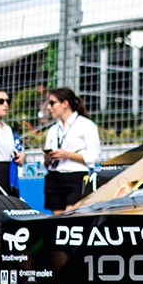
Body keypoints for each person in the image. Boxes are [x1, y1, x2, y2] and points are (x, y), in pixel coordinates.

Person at [43, 87, 102, 215]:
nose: (49, 107)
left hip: (76, 177)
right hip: (54, 176)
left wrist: (68, 155)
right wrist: (48, 159)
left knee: (71, 217)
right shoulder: (53, 130)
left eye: (52, 103)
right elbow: (46, 163)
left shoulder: (86, 125)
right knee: (57, 220)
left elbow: (95, 157)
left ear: (65, 103)